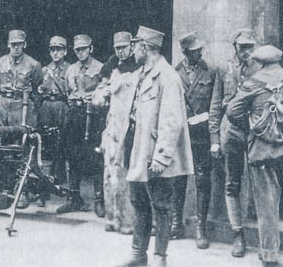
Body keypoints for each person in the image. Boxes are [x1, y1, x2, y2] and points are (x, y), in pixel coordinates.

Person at [226, 45, 283, 267]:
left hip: (263, 153)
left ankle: (270, 257)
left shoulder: (252, 83)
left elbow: (232, 111)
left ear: (259, 63)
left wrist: (253, 125)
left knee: (267, 209)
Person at [116, 26, 193, 267]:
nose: (132, 50)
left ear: (145, 47)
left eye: (136, 45)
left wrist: (162, 157)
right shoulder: (142, 73)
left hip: (155, 155)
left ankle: (160, 258)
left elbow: (172, 121)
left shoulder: (167, 76)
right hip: (138, 151)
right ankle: (139, 254)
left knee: (161, 206)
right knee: (138, 203)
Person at [208, 28, 257, 257]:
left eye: (250, 46)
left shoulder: (259, 68)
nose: (246, 51)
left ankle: (262, 233)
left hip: (255, 131)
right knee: (232, 182)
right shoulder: (223, 68)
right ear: (235, 47)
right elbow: (216, 104)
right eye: (243, 47)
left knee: (259, 179)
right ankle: (237, 234)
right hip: (231, 131)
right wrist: (214, 139)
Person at [172, 31, 216, 248]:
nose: (198, 53)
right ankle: (175, 222)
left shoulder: (210, 71)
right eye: (194, 51)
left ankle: (201, 227)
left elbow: (215, 103)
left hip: (202, 134)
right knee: (178, 177)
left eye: (200, 50)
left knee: (202, 180)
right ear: (184, 52)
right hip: (181, 133)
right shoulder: (174, 73)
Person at [94, 31, 138, 235]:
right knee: (109, 170)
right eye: (117, 48)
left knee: (126, 173)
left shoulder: (139, 64)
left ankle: (128, 221)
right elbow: (100, 91)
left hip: (130, 123)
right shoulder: (111, 64)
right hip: (112, 123)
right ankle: (112, 218)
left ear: (131, 46)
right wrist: (101, 94)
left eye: (124, 47)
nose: (120, 52)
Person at [57, 34, 105, 216]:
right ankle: (74, 198)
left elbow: (104, 92)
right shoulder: (71, 70)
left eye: (84, 49)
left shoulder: (100, 68)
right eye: (77, 50)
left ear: (91, 49)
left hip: (93, 116)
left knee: (95, 156)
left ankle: (99, 200)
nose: (80, 53)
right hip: (75, 115)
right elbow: (67, 91)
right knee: (72, 154)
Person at [36, 35, 72, 207]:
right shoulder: (43, 70)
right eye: (53, 50)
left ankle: (69, 192)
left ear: (65, 51)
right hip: (47, 108)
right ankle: (43, 190)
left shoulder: (71, 69)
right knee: (46, 148)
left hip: (62, 108)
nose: (56, 53)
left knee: (65, 146)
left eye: (59, 49)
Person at [0, 29, 42, 129]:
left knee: (19, 133)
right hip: (3, 102)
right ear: (8, 44)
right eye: (13, 44)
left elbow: (37, 91)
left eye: (19, 44)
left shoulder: (33, 64)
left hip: (21, 103)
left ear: (24, 44)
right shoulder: (1, 62)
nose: (16, 47)